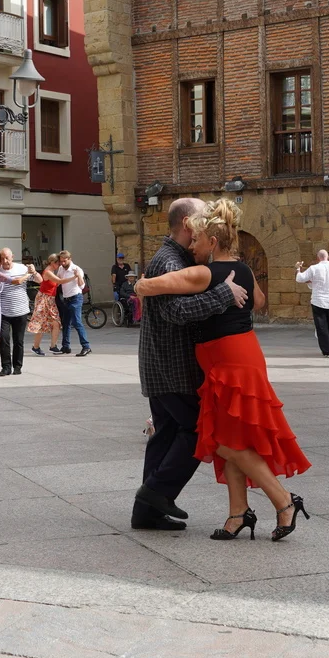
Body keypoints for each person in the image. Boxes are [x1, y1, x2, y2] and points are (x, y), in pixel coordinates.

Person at [136, 199, 311, 541]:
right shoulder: (241, 269)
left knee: (220, 440)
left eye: (199, 239)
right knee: (232, 437)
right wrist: (229, 292)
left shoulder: (205, 272)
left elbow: (153, 287)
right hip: (240, 356)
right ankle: (237, 513)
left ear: (213, 241)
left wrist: (140, 285)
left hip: (227, 362)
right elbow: (258, 302)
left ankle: (283, 500)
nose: (194, 246)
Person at [126, 197, 247, 531]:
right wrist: (223, 294)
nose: (207, 223)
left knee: (166, 434)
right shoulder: (170, 261)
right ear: (187, 224)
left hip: (164, 364)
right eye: (203, 218)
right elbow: (175, 312)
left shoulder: (177, 258)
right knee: (198, 430)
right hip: (171, 367)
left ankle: (146, 513)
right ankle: (155, 493)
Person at [0, 248, 31, 376]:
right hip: (3, 311)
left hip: (21, 310)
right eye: (2, 258)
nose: (5, 261)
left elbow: (40, 280)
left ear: (12, 256)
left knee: (18, 340)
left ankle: (17, 366)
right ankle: (6, 367)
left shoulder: (22, 268)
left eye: (7, 258)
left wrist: (33, 272)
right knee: (4, 339)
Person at [294, 249, 329, 357]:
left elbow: (299, 278)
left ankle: (328, 350)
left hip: (318, 300)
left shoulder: (314, 268)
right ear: (327, 257)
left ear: (318, 258)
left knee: (321, 326)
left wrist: (298, 268)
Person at [28, 254, 71, 355]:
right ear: (52, 263)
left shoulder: (52, 271)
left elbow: (56, 283)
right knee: (41, 323)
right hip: (43, 298)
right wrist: (74, 277)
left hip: (50, 298)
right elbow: (59, 281)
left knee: (56, 322)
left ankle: (53, 346)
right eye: (58, 263)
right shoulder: (48, 272)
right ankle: (36, 347)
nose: (59, 265)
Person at [55, 250, 91, 357]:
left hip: (76, 298)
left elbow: (82, 286)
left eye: (64, 261)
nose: (62, 263)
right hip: (66, 299)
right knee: (65, 323)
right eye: (61, 261)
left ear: (70, 259)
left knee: (77, 322)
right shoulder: (61, 269)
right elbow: (58, 281)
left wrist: (78, 276)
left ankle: (86, 346)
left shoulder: (77, 269)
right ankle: (65, 346)